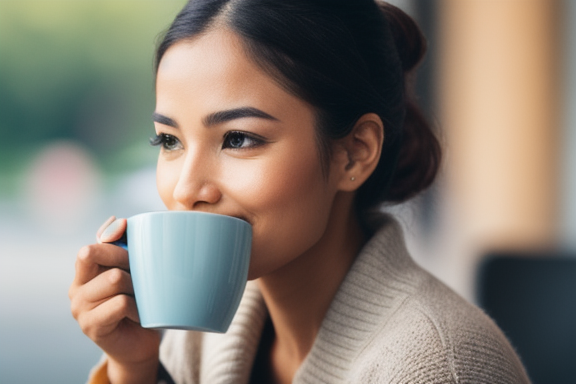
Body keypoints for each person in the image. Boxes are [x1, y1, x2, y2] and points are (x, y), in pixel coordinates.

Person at [69, 0, 531, 383]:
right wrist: (134, 365)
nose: (187, 189)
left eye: (239, 139)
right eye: (170, 141)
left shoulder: (441, 367)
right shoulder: (201, 338)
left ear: (354, 153)